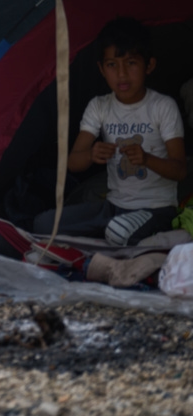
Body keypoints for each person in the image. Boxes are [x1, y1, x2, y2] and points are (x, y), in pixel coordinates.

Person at [33, 17, 186, 246]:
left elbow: (180, 169)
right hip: (113, 208)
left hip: (157, 209)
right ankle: (112, 239)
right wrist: (91, 155)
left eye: (131, 62)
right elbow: (73, 162)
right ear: (101, 70)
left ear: (149, 65)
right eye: (112, 64)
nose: (122, 74)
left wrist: (147, 159)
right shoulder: (99, 106)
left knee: (116, 232)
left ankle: (114, 240)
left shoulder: (163, 106)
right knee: (43, 225)